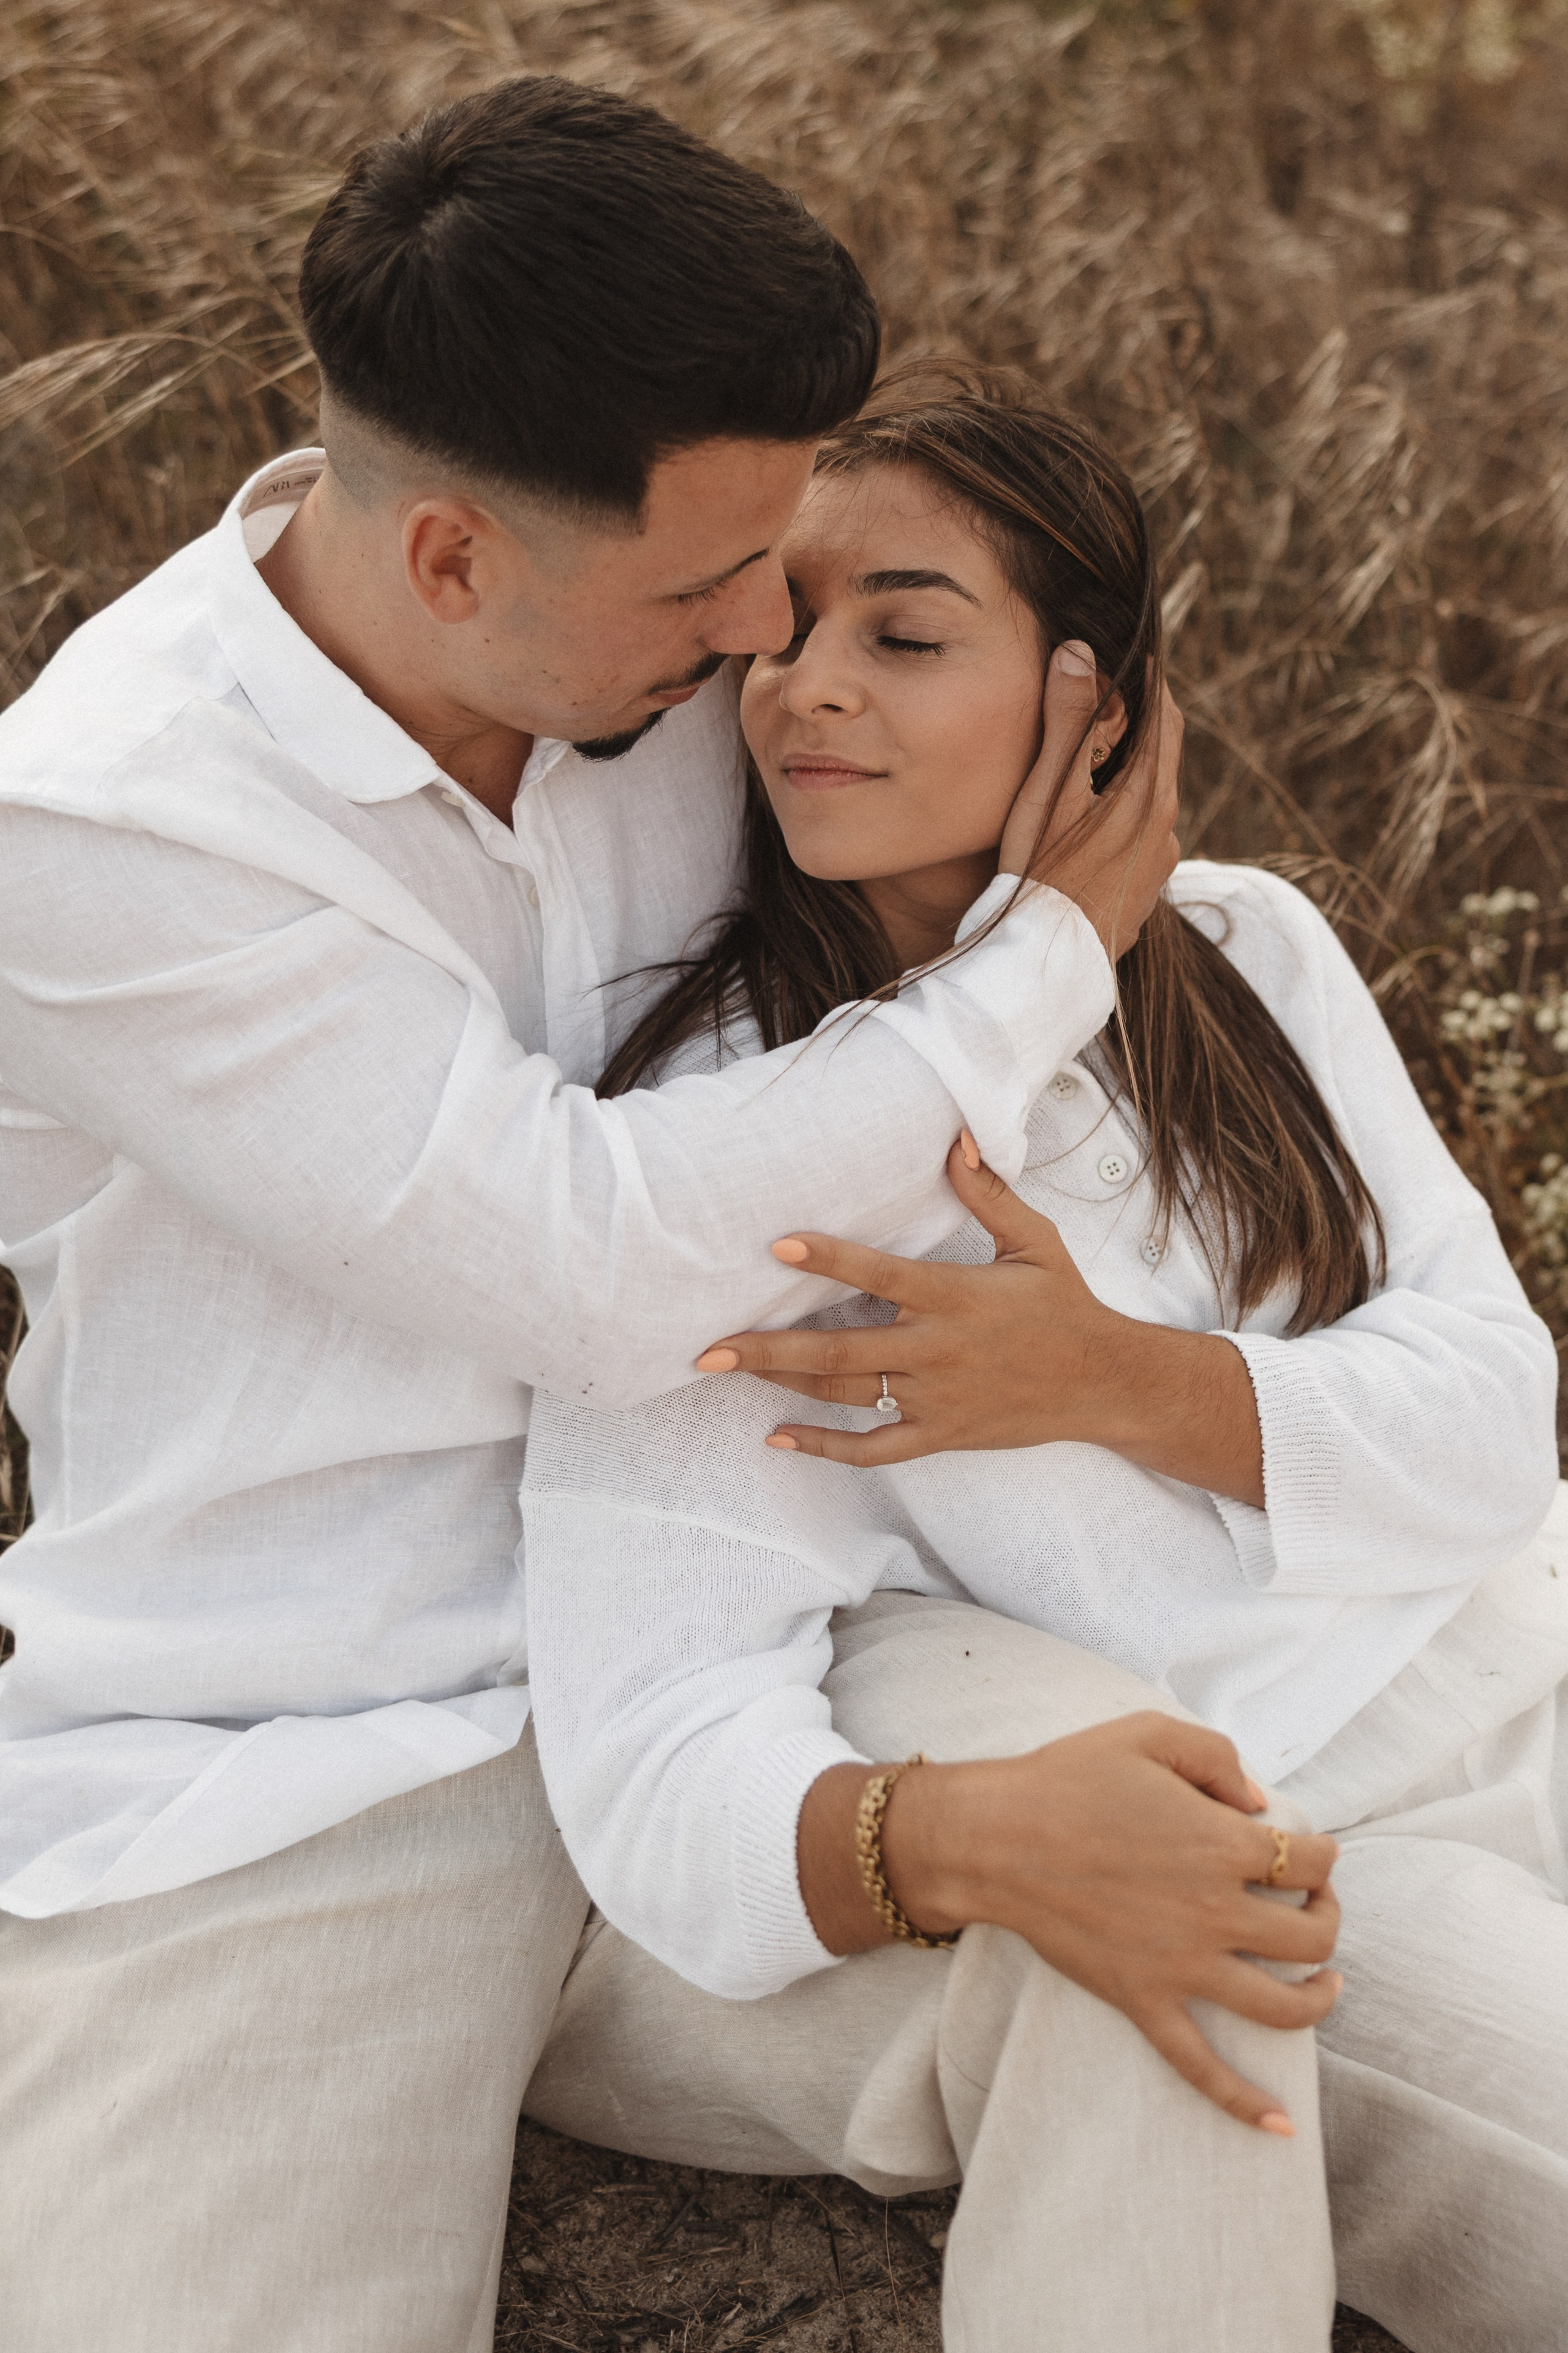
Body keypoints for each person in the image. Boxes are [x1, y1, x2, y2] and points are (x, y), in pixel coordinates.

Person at [0, 80, 1337, 2353]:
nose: (766, 644)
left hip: (786, 1637)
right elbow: (591, 1265)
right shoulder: (104, 831)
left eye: (791, 564)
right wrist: (1037, 967)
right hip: (316, 1759)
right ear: (452, 562)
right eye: (713, 585)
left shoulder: (679, 660)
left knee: (1185, 1914)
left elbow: (1028, 789)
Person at [518, 374, 1568, 2353]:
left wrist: (1110, 1376)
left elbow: (1497, 1419)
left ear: (1094, 703)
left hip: (1531, 1654)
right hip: (1313, 1825)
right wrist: (956, 1841)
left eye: (904, 635)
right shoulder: (748, 1153)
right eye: (788, 628)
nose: (808, 688)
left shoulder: (1245, 949)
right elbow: (657, 1752)